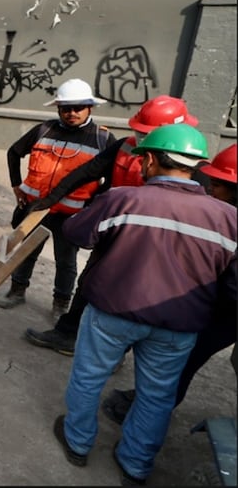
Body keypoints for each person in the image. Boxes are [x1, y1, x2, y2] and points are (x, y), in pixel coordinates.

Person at [53, 124, 235, 485]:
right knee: (158, 396)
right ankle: (135, 463)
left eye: (142, 160)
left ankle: (77, 442)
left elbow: (76, 233)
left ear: (150, 159)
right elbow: (232, 286)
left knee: (89, 376)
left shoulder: (123, 199)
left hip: (112, 313)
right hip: (179, 326)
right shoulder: (230, 219)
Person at [23, 95, 201, 354]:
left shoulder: (192, 166)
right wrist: (49, 200)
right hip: (115, 232)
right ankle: (68, 333)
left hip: (155, 244)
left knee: (133, 295)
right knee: (90, 281)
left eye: (149, 133)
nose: (142, 139)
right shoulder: (124, 147)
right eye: (141, 132)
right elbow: (86, 172)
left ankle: (115, 352)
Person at [100, 142, 237, 425]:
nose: (210, 189)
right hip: (212, 306)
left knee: (184, 363)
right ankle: (146, 409)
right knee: (172, 364)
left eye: (217, 185)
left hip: (224, 313)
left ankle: (145, 418)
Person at [0, 78, 117, 313]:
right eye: (66, 108)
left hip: (71, 215)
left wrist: (92, 205)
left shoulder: (103, 139)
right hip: (37, 208)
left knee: (65, 261)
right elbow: (14, 152)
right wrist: (16, 184)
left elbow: (111, 179)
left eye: (78, 108)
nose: (72, 113)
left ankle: (60, 304)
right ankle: (17, 291)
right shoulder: (44, 130)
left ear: (90, 108)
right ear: (58, 109)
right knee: (26, 253)